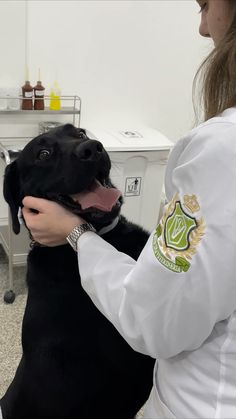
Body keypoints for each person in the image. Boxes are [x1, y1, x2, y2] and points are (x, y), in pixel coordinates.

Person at [21, 1, 236, 417]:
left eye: (205, 5)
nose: (203, 29)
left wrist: (76, 233)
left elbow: (152, 321)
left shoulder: (223, 150)